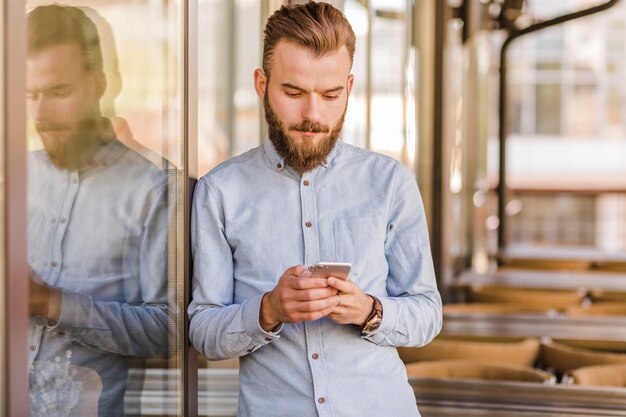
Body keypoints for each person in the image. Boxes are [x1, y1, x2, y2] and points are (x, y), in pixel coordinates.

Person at [189, 2, 442, 416]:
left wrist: (369, 311)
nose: (313, 115)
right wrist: (268, 310)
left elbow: (427, 312)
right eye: (293, 93)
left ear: (349, 87)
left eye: (330, 95)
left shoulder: (390, 182)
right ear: (261, 84)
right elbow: (203, 331)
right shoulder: (220, 191)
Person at [26, 4, 170, 416]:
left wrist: (51, 303)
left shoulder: (154, 189)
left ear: (100, 85)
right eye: (29, 95)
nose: (40, 113)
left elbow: (172, 333)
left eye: (58, 92)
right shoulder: (15, 180)